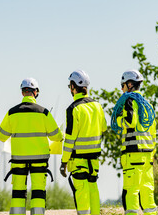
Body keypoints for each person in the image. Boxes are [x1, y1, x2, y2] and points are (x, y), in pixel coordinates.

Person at [0, 78, 63, 215]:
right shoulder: (44, 113)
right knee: (38, 192)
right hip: (39, 160)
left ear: (22, 93)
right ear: (36, 92)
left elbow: (1, 136)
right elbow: (56, 136)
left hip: (18, 161)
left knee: (18, 193)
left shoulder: (12, 113)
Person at [60, 69, 107, 215]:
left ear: (74, 87)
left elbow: (70, 139)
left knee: (81, 192)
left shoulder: (73, 109)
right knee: (93, 189)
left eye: (70, 86)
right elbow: (104, 128)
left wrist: (64, 162)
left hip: (78, 160)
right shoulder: (97, 106)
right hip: (94, 159)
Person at [116, 69, 157, 215]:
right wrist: (152, 154)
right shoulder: (147, 105)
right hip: (148, 156)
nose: (122, 89)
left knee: (131, 192)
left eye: (123, 85)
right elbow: (153, 133)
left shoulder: (129, 101)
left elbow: (129, 122)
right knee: (147, 192)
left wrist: (118, 119)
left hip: (133, 155)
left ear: (130, 84)